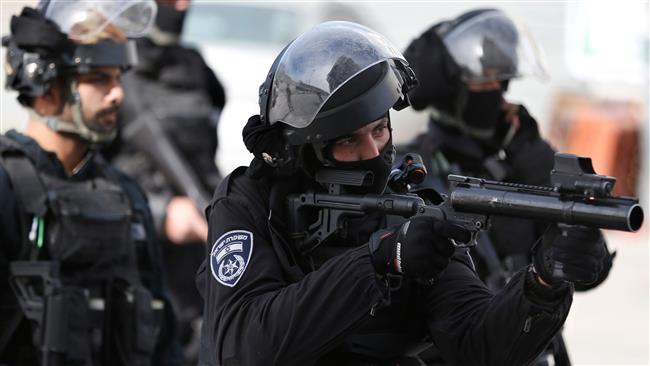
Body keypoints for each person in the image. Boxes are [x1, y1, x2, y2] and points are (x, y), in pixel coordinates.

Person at [195, 21, 609, 366]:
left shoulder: (408, 213)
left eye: (379, 130)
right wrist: (377, 260)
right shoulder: (251, 204)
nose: (374, 153)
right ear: (307, 151)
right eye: (349, 142)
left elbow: (480, 346)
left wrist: (542, 283)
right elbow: (242, 345)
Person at [400, 8, 615, 364]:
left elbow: (591, 267)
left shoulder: (518, 165)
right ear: (454, 91)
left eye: (503, 83)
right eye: (487, 84)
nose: (501, 97)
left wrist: (535, 158)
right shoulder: (415, 171)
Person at [0, 1, 182, 365]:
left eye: (117, 78)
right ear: (46, 84)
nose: (118, 93)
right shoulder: (8, 187)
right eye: (99, 78)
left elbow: (163, 341)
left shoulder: (127, 196)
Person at [102, 0, 226, 361]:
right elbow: (80, 178)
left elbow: (206, 158)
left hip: (196, 260)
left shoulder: (195, 69)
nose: (183, 6)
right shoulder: (107, 70)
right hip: (132, 255)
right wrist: (161, 213)